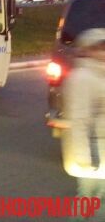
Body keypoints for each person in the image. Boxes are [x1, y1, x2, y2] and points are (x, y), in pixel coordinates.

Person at [61, 28, 105, 199]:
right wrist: (84, 159)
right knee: (92, 199)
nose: (102, 52)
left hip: (101, 151)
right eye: (97, 48)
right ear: (87, 50)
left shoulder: (100, 74)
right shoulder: (82, 77)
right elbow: (79, 120)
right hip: (93, 155)